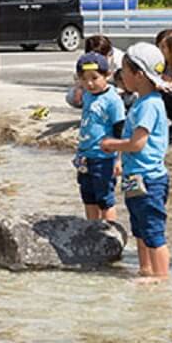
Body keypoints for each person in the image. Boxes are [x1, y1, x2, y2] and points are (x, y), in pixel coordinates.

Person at [100, 43, 172, 281]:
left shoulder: (150, 105)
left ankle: (161, 277)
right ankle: (145, 269)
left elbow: (137, 143)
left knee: (153, 231)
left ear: (139, 75)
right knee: (140, 228)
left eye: (124, 71)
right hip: (135, 177)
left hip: (148, 178)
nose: (121, 76)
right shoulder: (143, 102)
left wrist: (112, 145)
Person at [74, 52, 125, 222]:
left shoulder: (113, 100)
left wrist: (119, 159)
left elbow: (120, 131)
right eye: (84, 79)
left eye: (95, 78)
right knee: (88, 197)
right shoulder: (88, 95)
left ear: (107, 75)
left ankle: (110, 235)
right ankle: (92, 231)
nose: (89, 83)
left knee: (105, 199)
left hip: (104, 158)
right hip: (85, 156)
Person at [66, 34, 125, 109]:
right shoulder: (86, 59)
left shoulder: (120, 60)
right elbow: (79, 75)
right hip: (95, 86)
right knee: (72, 96)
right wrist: (79, 88)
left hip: (117, 88)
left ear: (109, 54)